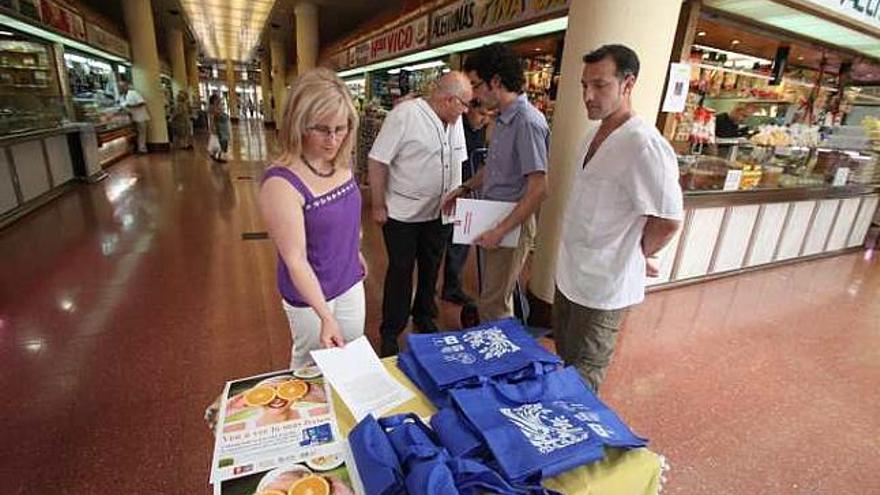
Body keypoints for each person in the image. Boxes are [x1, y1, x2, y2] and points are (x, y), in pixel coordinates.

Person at [554, 44, 683, 392]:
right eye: (584, 85)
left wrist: (637, 253)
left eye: (600, 85)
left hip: (605, 285)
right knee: (565, 360)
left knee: (585, 374)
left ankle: (581, 440)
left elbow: (668, 218)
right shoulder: (593, 134)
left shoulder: (643, 144)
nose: (588, 95)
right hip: (571, 273)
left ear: (628, 84)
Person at [259, 68, 366, 369]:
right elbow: (294, 259)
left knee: (351, 355)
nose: (333, 140)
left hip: (349, 280)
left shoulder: (342, 164)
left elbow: (347, 218)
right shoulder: (281, 182)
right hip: (310, 295)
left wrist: (354, 253)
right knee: (311, 366)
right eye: (321, 129)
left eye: (341, 128)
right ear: (299, 123)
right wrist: (325, 315)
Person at [368, 71, 472, 356]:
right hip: (402, 213)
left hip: (439, 212)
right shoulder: (405, 115)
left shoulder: (455, 120)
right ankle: (391, 330)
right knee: (401, 271)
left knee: (431, 266)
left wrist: (459, 196)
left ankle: (424, 315)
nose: (467, 111)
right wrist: (377, 204)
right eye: (464, 104)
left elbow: (458, 161)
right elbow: (377, 161)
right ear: (450, 99)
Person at [444, 43, 549, 323]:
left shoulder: (528, 122)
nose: (474, 95)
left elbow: (539, 187)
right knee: (491, 297)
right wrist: (464, 189)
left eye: (477, 86)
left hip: (511, 224)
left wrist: (501, 230)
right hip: (494, 218)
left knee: (495, 304)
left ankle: (500, 362)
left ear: (496, 82)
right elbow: (493, 168)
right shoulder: (502, 120)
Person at [441, 101, 490, 306]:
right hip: (446, 191)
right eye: (481, 113)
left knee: (460, 244)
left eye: (488, 115)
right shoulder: (454, 125)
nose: (484, 119)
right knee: (437, 243)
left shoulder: (485, 130)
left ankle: (452, 288)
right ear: (468, 110)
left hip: (467, 191)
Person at [117, 78, 150, 154]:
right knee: (135, 134)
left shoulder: (133, 93)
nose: (121, 88)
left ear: (126, 86)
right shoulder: (122, 97)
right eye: (119, 87)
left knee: (142, 133)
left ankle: (142, 149)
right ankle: (136, 148)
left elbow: (142, 103)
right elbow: (122, 106)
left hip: (141, 117)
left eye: (122, 87)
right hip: (131, 118)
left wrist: (131, 106)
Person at [208, 93, 231, 162]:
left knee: (221, 142)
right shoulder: (212, 108)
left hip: (222, 127)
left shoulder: (218, 106)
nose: (218, 100)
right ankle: (218, 156)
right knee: (220, 142)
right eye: (217, 99)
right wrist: (212, 127)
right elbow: (212, 118)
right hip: (218, 127)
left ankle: (217, 155)